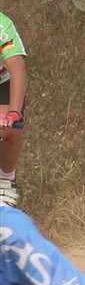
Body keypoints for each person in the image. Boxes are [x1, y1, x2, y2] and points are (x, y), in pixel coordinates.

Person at [0, 13, 26, 207]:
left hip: (3, 83)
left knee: (8, 128)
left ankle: (6, 178)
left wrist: (14, 112)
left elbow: (17, 69)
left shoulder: (2, 25)